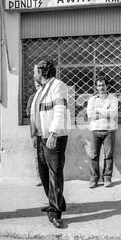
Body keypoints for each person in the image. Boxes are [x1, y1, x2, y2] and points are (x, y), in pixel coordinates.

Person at [30, 60, 70, 229]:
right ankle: (57, 202)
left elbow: (60, 111)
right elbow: (35, 113)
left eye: (35, 72)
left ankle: (55, 212)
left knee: (54, 173)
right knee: (43, 171)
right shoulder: (42, 89)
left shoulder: (57, 86)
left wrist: (53, 133)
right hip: (41, 137)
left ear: (42, 72)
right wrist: (35, 134)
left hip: (53, 137)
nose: (33, 75)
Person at [86, 76, 118, 188]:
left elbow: (112, 114)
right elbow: (90, 115)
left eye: (103, 85)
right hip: (95, 130)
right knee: (94, 156)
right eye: (99, 85)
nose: (101, 87)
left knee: (108, 156)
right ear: (96, 87)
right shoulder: (92, 100)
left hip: (109, 130)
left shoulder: (113, 99)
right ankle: (94, 179)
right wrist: (106, 112)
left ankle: (107, 178)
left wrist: (98, 110)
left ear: (107, 85)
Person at [26, 79, 43, 187]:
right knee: (37, 156)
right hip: (35, 132)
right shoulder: (32, 97)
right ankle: (39, 177)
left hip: (46, 131)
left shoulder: (48, 96)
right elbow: (28, 113)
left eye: (40, 85)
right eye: (37, 85)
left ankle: (48, 177)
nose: (38, 87)